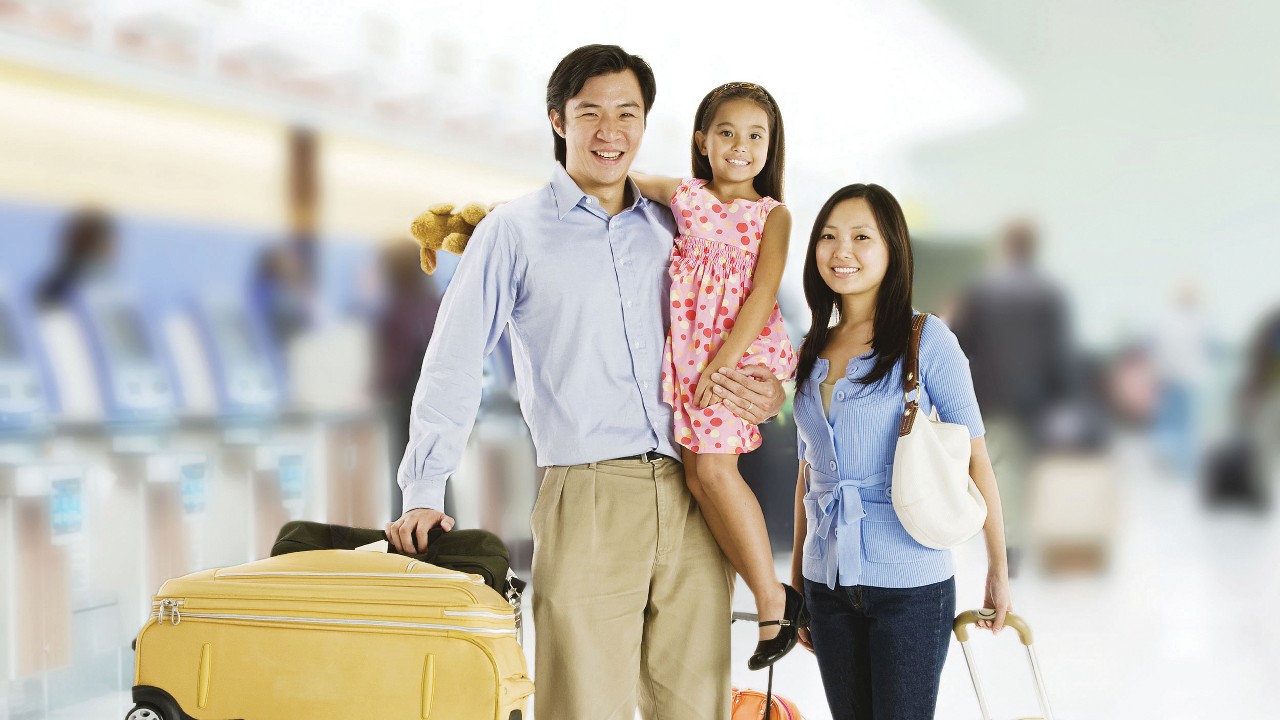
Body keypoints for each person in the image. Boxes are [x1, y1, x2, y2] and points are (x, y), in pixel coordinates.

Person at [385, 45, 786, 720]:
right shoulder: (512, 231)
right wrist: (423, 488)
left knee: (698, 708)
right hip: (588, 495)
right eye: (590, 112)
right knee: (583, 707)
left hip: (695, 490)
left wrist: (770, 391)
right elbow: (453, 360)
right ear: (557, 120)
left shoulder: (676, 223)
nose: (610, 130)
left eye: (627, 113)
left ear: (645, 123)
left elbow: (745, 316)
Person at [788, 184, 1011, 720]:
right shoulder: (810, 348)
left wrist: (998, 571)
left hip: (910, 585)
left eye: (861, 237)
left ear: (892, 250)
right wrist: (799, 583)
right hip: (829, 585)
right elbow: (808, 474)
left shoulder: (926, 338)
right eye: (828, 237)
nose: (842, 252)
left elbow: (976, 459)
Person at [630, 81, 804, 670]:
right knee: (702, 478)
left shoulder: (771, 214)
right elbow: (612, 178)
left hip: (737, 356)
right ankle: (769, 596)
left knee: (714, 470)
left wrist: (723, 362)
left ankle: (774, 599)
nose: (741, 146)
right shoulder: (684, 195)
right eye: (727, 132)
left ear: (771, 146)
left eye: (757, 136)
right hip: (694, 356)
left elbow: (762, 292)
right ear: (702, 141)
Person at [950, 220, 1072, 574]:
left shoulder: (981, 291)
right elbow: (1058, 352)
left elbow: (959, 342)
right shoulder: (1049, 293)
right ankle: (1018, 542)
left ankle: (1007, 547)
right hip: (1035, 399)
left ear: (1005, 246)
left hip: (989, 395)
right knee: (1024, 469)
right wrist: (1061, 398)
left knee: (997, 469)